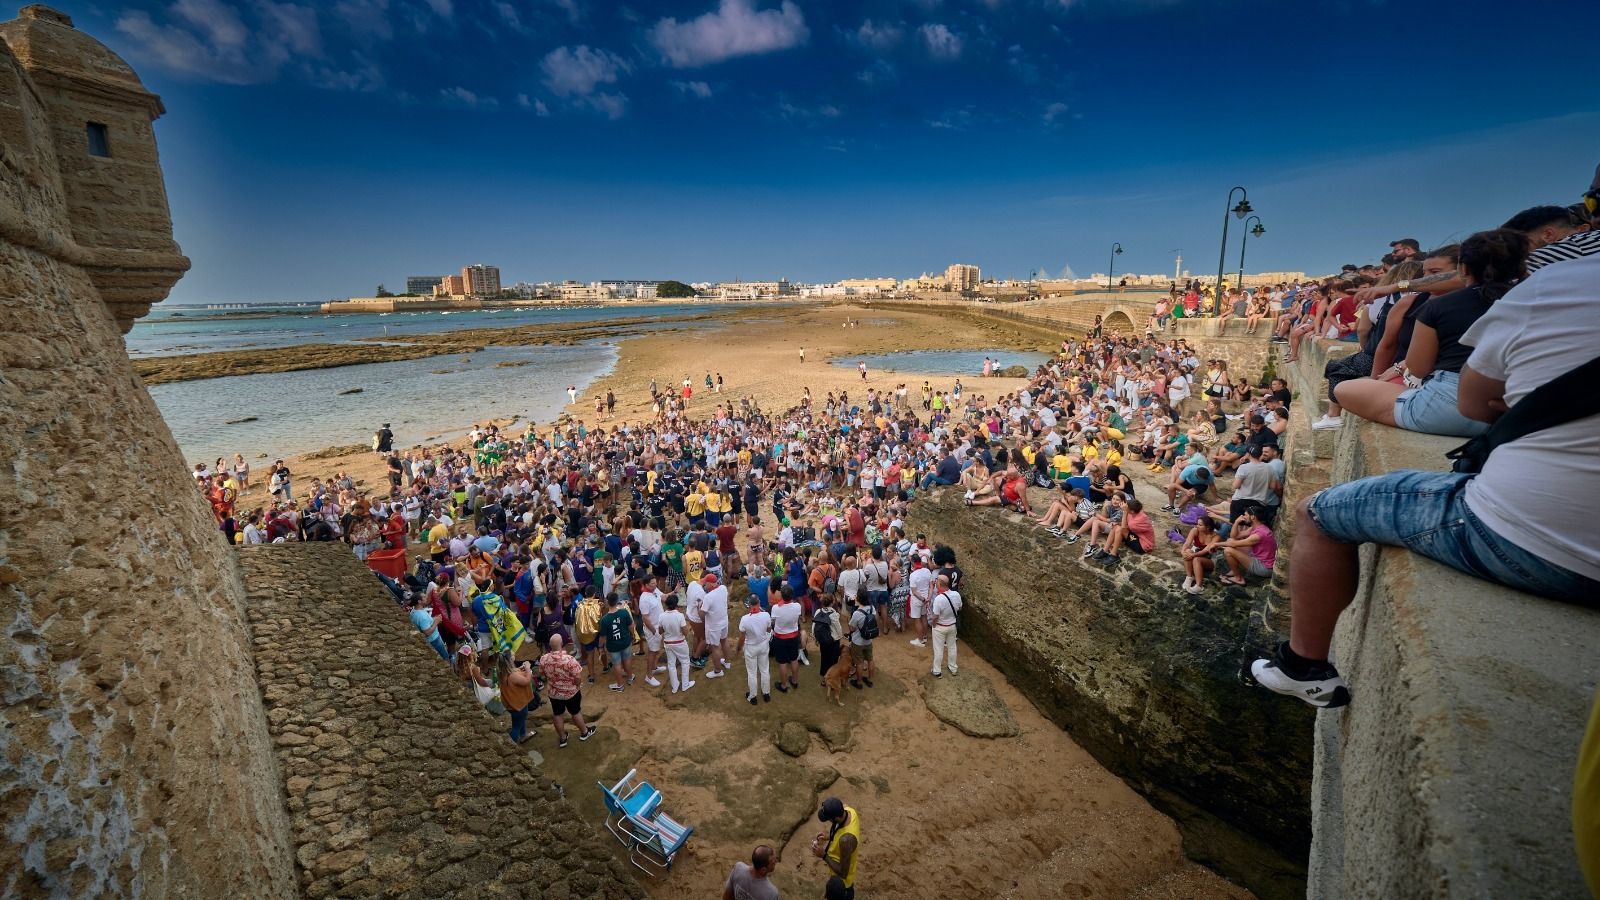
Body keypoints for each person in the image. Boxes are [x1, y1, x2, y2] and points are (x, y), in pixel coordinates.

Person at [1249, 252, 1600, 709]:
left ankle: (1304, 666)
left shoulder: (1558, 283)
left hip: (1529, 537)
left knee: (1315, 513)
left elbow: (1472, 401)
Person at [538, 635, 598, 748]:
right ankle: (584, 732)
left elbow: (542, 674)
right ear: (561, 644)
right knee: (575, 712)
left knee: (557, 714)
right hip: (570, 692)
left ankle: (562, 738)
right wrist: (576, 684)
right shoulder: (569, 660)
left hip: (554, 692)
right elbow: (577, 677)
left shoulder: (544, 659)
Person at [812, 798, 860, 899]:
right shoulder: (849, 811)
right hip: (836, 879)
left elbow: (843, 873)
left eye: (828, 818)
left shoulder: (846, 841)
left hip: (843, 887)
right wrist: (829, 836)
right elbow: (840, 830)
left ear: (836, 818)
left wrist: (823, 855)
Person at [737, 595, 773, 704]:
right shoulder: (766, 615)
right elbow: (769, 629)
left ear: (749, 606)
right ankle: (766, 693)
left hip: (751, 648)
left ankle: (753, 697)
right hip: (763, 645)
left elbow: (742, 637)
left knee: (752, 673)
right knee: (764, 670)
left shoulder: (745, 619)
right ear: (759, 604)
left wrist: (738, 648)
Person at [599, 595, 635, 693]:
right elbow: (631, 626)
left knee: (617, 664)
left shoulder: (605, 619)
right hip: (625, 641)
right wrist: (632, 635)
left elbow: (603, 637)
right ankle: (630, 678)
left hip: (613, 646)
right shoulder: (624, 612)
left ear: (607, 602)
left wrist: (600, 647)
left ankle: (620, 685)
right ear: (617, 601)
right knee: (627, 660)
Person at [659, 594, 694, 693]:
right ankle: (685, 684)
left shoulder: (661, 616)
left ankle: (675, 686)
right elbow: (685, 632)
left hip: (668, 643)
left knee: (671, 664)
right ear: (676, 604)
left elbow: (660, 631)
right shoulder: (679, 615)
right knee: (685, 662)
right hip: (680, 642)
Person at [928, 573, 961, 677]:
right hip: (952, 626)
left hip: (940, 627)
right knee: (952, 647)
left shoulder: (939, 599)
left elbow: (935, 616)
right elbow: (959, 608)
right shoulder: (956, 594)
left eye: (937, 581)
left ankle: (937, 671)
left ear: (940, 583)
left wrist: (933, 625)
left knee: (938, 649)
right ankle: (953, 667)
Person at [499, 654, 537, 744]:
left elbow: (514, 672)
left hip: (512, 704)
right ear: (510, 661)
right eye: (512, 656)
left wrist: (521, 668)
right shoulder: (512, 676)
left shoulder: (502, 672)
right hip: (519, 704)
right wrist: (528, 669)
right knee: (516, 726)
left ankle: (523, 735)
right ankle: (511, 745)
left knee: (519, 720)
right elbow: (526, 681)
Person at [846, 596, 875, 689]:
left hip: (858, 641)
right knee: (870, 659)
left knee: (859, 662)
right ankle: (870, 680)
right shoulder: (872, 608)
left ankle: (858, 682)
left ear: (858, 600)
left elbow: (851, 628)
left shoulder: (857, 613)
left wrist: (848, 622)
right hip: (869, 640)